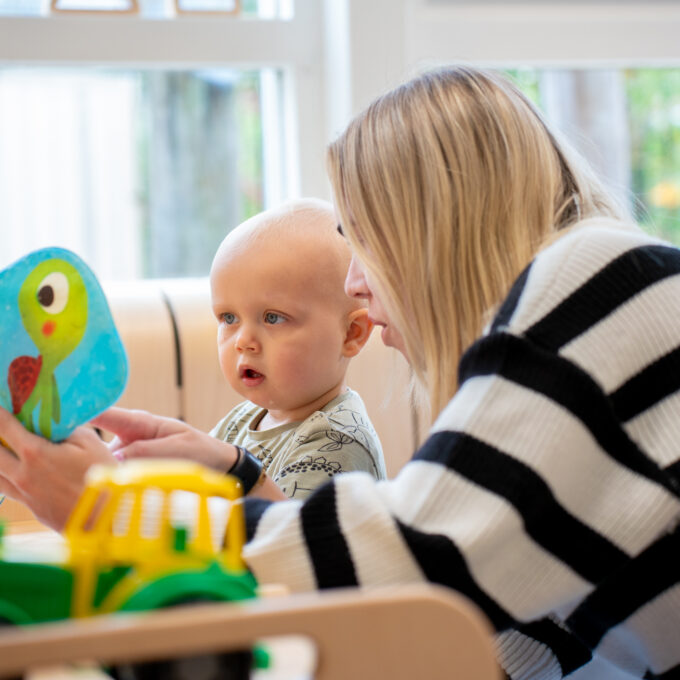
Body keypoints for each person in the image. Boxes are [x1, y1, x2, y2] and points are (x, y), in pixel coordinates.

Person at [1, 66, 679, 679]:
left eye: (363, 237)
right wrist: (240, 477)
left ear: (431, 226)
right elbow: (501, 642)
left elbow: (415, 558)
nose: (355, 282)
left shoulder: (600, 278)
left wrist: (117, 512)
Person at [204, 198, 385, 499]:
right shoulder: (244, 419)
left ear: (351, 334)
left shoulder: (336, 441)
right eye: (229, 318)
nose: (243, 341)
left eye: (273, 318)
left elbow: (286, 528)